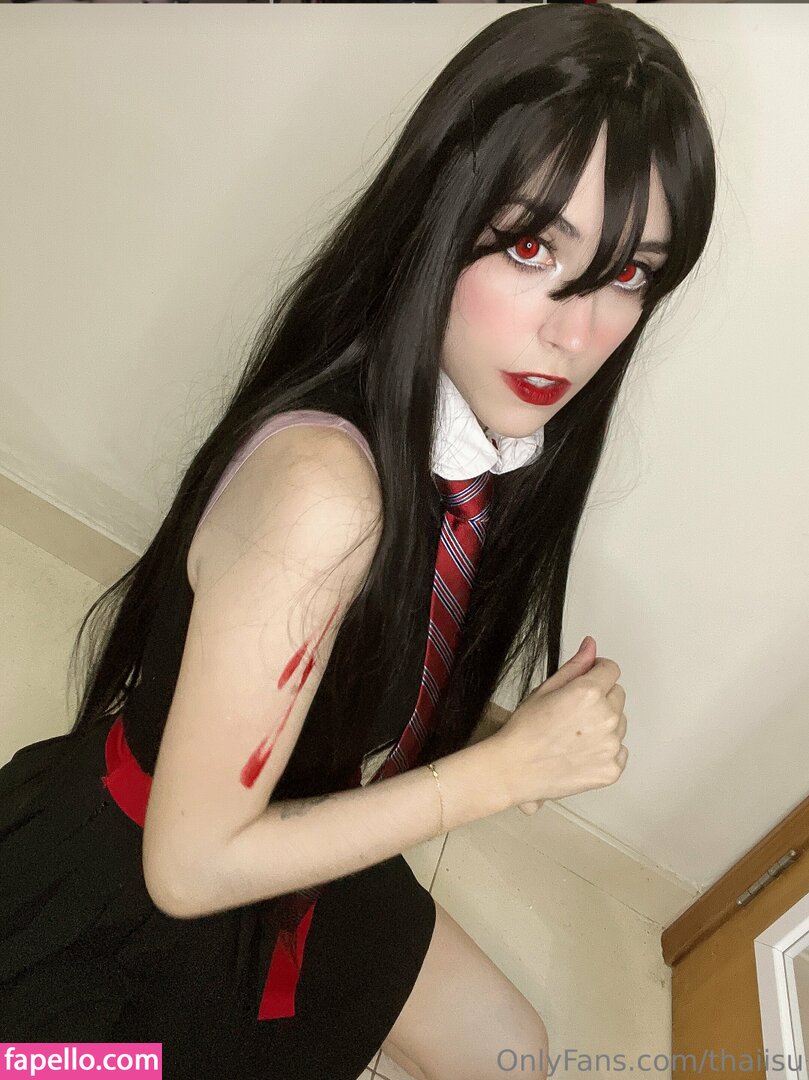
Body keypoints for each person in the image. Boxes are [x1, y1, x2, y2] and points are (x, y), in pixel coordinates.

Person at [0, 5, 716, 1078]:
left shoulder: (475, 444)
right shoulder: (325, 494)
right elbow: (184, 872)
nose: (575, 334)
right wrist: (503, 771)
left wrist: (510, 741)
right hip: (135, 899)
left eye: (627, 275)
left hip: (299, 853)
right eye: (531, 247)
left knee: (514, 1054)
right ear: (441, 210)